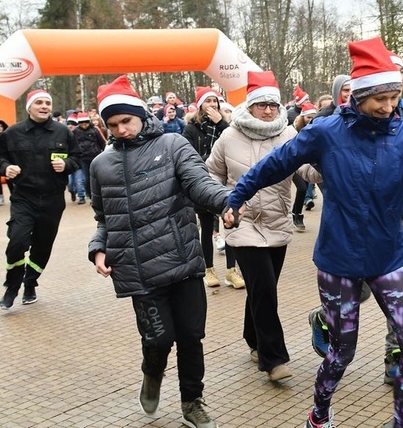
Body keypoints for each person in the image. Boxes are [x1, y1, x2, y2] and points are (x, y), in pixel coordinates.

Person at [223, 37, 403, 428]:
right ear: (359, 95)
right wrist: (236, 197)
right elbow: (272, 166)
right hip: (338, 260)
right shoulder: (325, 133)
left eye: (394, 96)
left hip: (389, 258)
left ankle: (402, 423)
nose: (388, 106)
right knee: (342, 351)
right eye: (379, 98)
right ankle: (320, 412)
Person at [88, 75, 231, 428]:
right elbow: (104, 218)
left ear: (140, 115)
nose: (121, 129)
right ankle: (152, 374)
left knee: (191, 336)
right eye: (113, 124)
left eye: (126, 120)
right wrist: (98, 249)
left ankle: (191, 402)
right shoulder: (100, 166)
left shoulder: (173, 144)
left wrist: (228, 202)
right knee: (158, 338)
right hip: (137, 270)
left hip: (183, 261)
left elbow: (200, 183)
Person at [205, 70, 321, 383]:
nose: (268, 110)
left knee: (261, 290)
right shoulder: (229, 135)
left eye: (272, 104)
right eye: (261, 104)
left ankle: (252, 337)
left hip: (276, 222)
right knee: (265, 290)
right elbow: (211, 174)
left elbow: (306, 168)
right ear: (250, 106)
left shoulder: (287, 135)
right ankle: (274, 359)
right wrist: (225, 201)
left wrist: (326, 168)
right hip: (241, 225)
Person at [0, 89, 81, 308]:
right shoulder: (12, 133)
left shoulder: (63, 132)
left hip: (52, 199)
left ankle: (30, 283)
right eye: (39, 102)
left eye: (47, 103)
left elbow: (77, 157)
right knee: (17, 242)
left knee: (42, 246)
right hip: (24, 197)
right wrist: (6, 167)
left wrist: (66, 165)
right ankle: (12, 287)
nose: (44, 107)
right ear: (29, 107)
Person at [182, 86, 245, 289]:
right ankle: (208, 270)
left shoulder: (224, 127)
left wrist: (221, 123)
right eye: (208, 101)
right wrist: (211, 161)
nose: (213, 105)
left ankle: (231, 271)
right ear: (200, 106)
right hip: (203, 182)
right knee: (207, 227)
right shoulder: (191, 129)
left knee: (230, 224)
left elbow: (236, 144)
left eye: (215, 101)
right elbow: (187, 157)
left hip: (225, 181)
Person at [291, 102, 317, 231]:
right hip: (293, 165)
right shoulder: (293, 131)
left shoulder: (317, 130)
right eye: (308, 117)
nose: (310, 120)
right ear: (302, 118)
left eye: (313, 117)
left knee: (304, 189)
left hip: (308, 166)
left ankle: (296, 212)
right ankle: (296, 215)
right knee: (301, 188)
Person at [73, 112, 106, 205]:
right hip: (83, 158)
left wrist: (103, 153)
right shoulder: (75, 132)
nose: (84, 125)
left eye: (85, 122)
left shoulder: (95, 130)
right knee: (86, 179)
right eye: (82, 123)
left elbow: (102, 142)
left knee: (97, 178)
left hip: (95, 156)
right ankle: (90, 196)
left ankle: (98, 196)